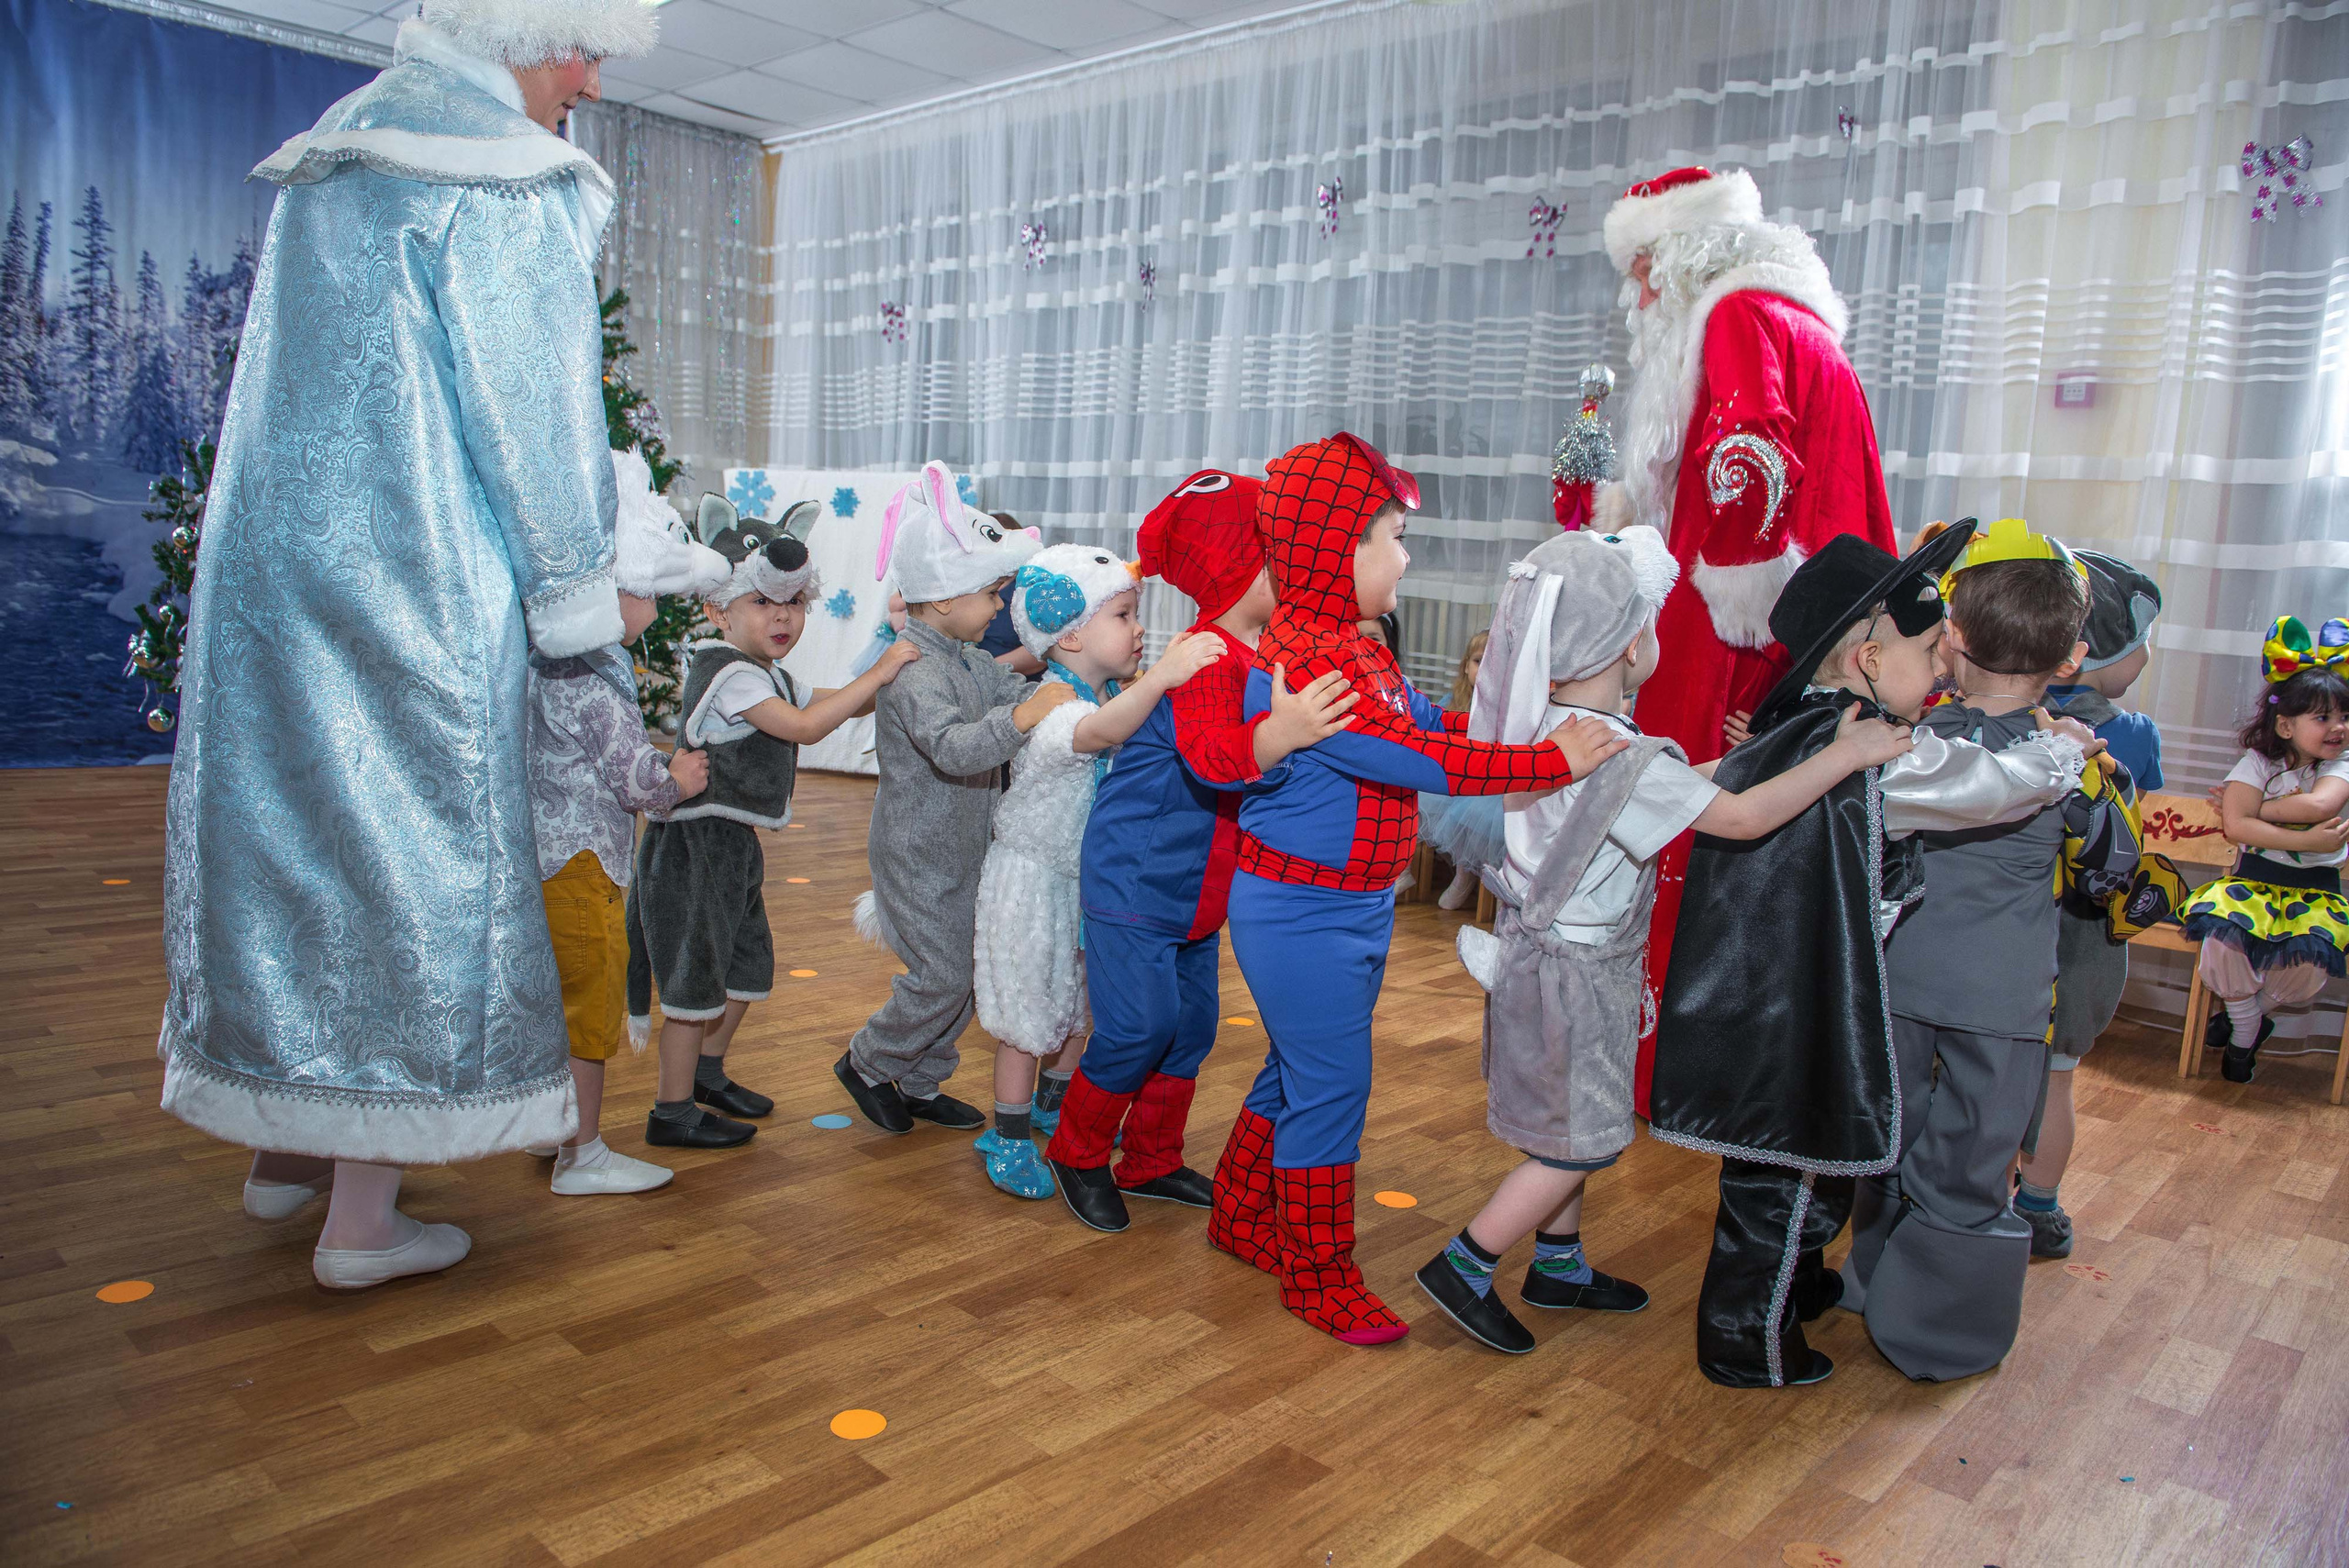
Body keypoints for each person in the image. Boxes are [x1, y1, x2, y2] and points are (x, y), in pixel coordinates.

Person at [164, 0, 659, 1290]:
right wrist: (571, 588)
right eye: (584, 45)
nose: (592, 78)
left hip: (275, 579)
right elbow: (536, 414)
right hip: (415, 581)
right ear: (521, 29)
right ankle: (363, 1221)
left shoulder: (339, 159)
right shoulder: (504, 185)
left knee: (291, 847)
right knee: (414, 860)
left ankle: (282, 1157)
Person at [1421, 526, 1912, 1354]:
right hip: (1580, 976)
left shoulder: (1548, 726)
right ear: (1630, 640)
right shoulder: (1619, 752)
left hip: (1546, 962)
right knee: (1583, 1141)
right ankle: (1466, 1264)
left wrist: (1751, 758)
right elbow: (1742, 818)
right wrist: (1845, 754)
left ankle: (1560, 1260)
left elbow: (1679, 792)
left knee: (1569, 1127)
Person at [1649, 522, 2101, 1388]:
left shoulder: (1820, 726)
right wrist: (2062, 751)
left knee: (1801, 1173)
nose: (1940, 669)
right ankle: (1750, 1342)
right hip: (1802, 995)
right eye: (1930, 649)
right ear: (1865, 658)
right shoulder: (1868, 745)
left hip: (1797, 987)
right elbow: (1987, 787)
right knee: (1783, 1183)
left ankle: (1799, 1289)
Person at [1215, 432, 1630, 1344]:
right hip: (1301, 911)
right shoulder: (1306, 657)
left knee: (1300, 1068)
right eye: (1393, 534)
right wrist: (1543, 756)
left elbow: (1420, 718)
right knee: (1330, 1088)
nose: (1407, 555)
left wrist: (1521, 728)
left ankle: (1241, 1214)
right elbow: (1411, 753)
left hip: (1348, 907)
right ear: (1340, 547)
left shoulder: (1355, 647)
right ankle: (1317, 1273)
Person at [1594, 165, 1904, 1112]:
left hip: (1736, 615)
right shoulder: (1792, 322)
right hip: (1799, 619)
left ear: (1682, 252)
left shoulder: (1733, 317)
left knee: (1685, 806)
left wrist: (1733, 586)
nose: (1635, 292)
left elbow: (1748, 452)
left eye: (1643, 266)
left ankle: (1664, 1064)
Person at [1840, 520, 2141, 1384]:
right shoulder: (2073, 759)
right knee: (1971, 1164)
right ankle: (1940, 1335)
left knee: (1888, 1138)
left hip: (1899, 979)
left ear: (1954, 636)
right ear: (2071, 654)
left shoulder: (1914, 740)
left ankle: (1872, 1281)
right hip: (2004, 1001)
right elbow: (2110, 873)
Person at [1043, 472, 1356, 1233]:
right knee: (1136, 1027)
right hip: (1137, 879)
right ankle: (1076, 1150)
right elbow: (1221, 758)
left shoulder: (1255, 656)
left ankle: (1149, 1157)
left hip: (1199, 887)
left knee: (1190, 1028)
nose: (1302, 566)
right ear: (1237, 566)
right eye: (1282, 553)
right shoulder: (1204, 657)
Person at [628, 498, 919, 1150]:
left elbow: (831, 700)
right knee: (695, 979)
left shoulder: (767, 673)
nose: (782, 615)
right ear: (716, 609)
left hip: (732, 844)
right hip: (693, 848)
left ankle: (706, 1073)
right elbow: (809, 726)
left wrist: (900, 676)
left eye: (793, 602)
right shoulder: (728, 673)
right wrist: (878, 671)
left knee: (747, 966)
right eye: (762, 601)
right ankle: (670, 1110)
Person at [970, 547, 1226, 1198]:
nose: (1138, 628)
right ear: (1074, 633)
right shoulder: (1057, 700)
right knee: (1029, 1016)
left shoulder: (1110, 691)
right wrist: (1164, 675)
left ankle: (1057, 1105)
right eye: (1123, 613)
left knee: (1079, 1005)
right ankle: (1006, 1131)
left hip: (1081, 882)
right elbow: (1096, 734)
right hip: (1031, 879)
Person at [519, 449, 728, 1195]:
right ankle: (582, 1153)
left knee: (554, 1002)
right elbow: (631, 775)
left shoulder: (548, 654)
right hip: (583, 863)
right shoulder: (589, 668)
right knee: (589, 1008)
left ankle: (551, 1130)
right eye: (651, 595)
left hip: (545, 855)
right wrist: (677, 777)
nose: (656, 609)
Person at [838, 463, 1062, 1132]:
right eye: (992, 594)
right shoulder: (912, 669)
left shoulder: (966, 659)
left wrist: (1062, 701)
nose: (999, 608)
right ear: (943, 595)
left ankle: (919, 1079)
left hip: (967, 844)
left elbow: (1013, 696)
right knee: (938, 974)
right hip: (917, 852)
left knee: (966, 970)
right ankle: (868, 1061)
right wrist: (1024, 719)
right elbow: (956, 748)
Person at [2019, 548, 2165, 1256]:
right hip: (2078, 942)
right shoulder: (2131, 735)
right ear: (2089, 653)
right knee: (2056, 1085)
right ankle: (2040, 1210)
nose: (2147, 658)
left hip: (2009, 933)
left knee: (1982, 1084)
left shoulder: (2008, 720)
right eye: (2142, 644)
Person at [2178, 618, 2349, 1082]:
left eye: (2345, 717)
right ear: (2285, 725)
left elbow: (2320, 804)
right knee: (2223, 946)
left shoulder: (2343, 764)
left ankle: (2242, 1023)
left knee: (2308, 964)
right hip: (2252, 881)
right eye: (2323, 717)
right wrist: (2306, 840)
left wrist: (2256, 808)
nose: (2338, 727)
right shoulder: (2257, 761)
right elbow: (2236, 827)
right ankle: (2244, 1038)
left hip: (2314, 892)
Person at [1420, 630, 1499, 909]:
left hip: (1489, 786)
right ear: (1466, 666)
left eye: (1494, 662)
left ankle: (1464, 876)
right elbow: (1435, 743)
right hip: (1453, 779)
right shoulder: (1451, 702)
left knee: (1474, 813)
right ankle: (1402, 871)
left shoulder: (1504, 711)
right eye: (1478, 661)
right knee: (1415, 795)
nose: (1484, 669)